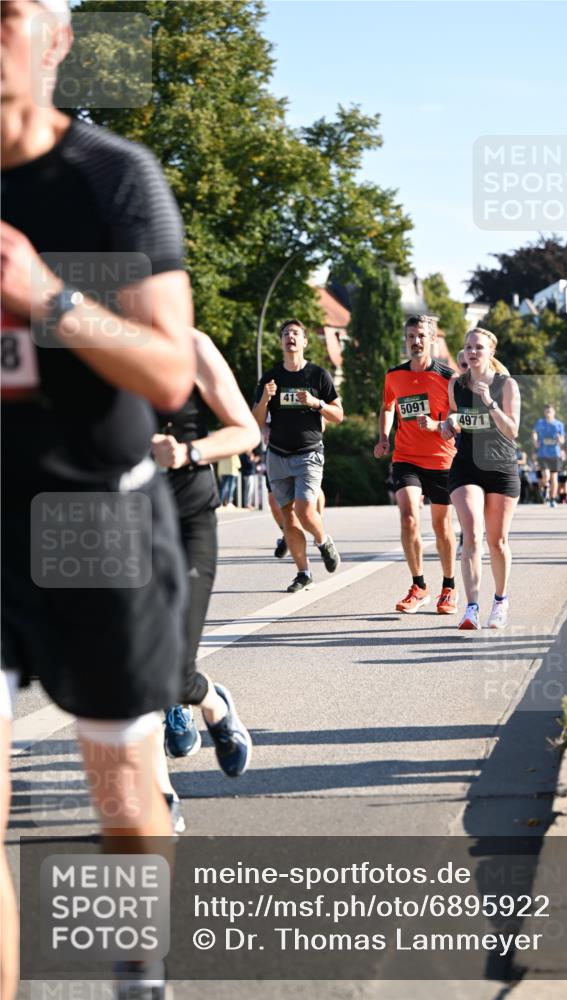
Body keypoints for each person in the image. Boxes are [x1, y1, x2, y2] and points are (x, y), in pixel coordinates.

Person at [1, 2, 195, 997]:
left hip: (94, 514)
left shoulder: (112, 181)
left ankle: (140, 971)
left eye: (7, 17)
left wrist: (47, 296)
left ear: (57, 41)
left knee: (121, 795)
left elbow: (170, 374)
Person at [152, 329, 259, 831]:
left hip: (188, 516)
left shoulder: (188, 344)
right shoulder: (78, 348)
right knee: (132, 667)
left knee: (174, 667)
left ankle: (210, 701)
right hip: (116, 526)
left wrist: (188, 452)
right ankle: (160, 795)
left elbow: (245, 430)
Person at [374, 315, 458, 614]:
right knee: (409, 516)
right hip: (405, 457)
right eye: (411, 336)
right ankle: (419, 585)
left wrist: (439, 425)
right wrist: (384, 436)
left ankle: (448, 587)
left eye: (421, 335)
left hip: (441, 459)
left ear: (433, 339)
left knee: (441, 525)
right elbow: (387, 407)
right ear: (405, 339)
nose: (416, 341)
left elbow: (460, 419)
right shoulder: (394, 376)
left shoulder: (450, 378)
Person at [252, 319, 343, 592]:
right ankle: (303, 573)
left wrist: (317, 403)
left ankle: (323, 540)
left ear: (304, 342)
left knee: (305, 510)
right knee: (288, 517)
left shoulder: (318, 375)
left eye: (295, 333)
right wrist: (266, 399)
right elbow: (256, 421)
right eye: (286, 334)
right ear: (281, 342)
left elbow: (339, 415)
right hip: (277, 454)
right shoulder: (270, 378)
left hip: (308, 453)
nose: (290, 337)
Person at [440, 327, 521, 630]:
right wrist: (449, 424)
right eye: (469, 347)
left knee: (497, 541)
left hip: (501, 468)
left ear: (491, 353)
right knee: (472, 534)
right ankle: (472, 607)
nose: (473, 352)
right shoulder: (456, 385)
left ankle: (500, 600)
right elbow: (455, 418)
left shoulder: (506, 385)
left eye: (479, 348)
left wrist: (489, 402)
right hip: (467, 467)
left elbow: (512, 430)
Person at [532, 404, 565, 507]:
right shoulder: (540, 423)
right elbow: (534, 432)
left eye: (550, 411)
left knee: (554, 478)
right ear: (544, 413)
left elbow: (563, 439)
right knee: (546, 475)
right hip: (543, 453)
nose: (548, 414)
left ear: (554, 412)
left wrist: (560, 440)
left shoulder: (559, 424)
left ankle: (552, 499)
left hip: (555, 454)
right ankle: (545, 487)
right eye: (546, 412)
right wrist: (535, 440)